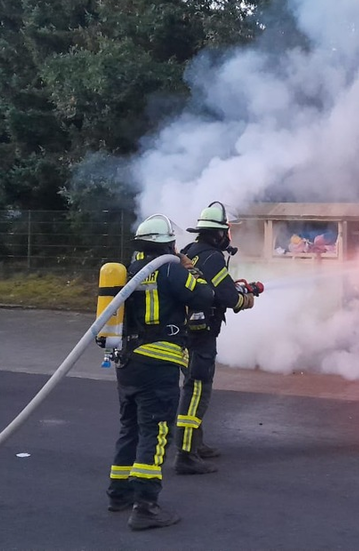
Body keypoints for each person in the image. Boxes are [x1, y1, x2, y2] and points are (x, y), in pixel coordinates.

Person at [106, 214, 215, 531]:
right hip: (159, 364)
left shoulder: (128, 271)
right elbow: (204, 294)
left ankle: (118, 494)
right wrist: (190, 266)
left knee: (130, 429)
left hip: (127, 363)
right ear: (167, 243)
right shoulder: (170, 269)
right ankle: (145, 506)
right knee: (155, 434)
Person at [174, 201, 262, 475]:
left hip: (188, 333)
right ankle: (186, 455)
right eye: (227, 231)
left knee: (194, 386)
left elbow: (217, 285)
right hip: (200, 337)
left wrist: (238, 288)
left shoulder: (192, 251)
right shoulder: (212, 256)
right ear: (218, 234)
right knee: (197, 390)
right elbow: (225, 296)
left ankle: (196, 444)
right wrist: (245, 298)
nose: (229, 236)